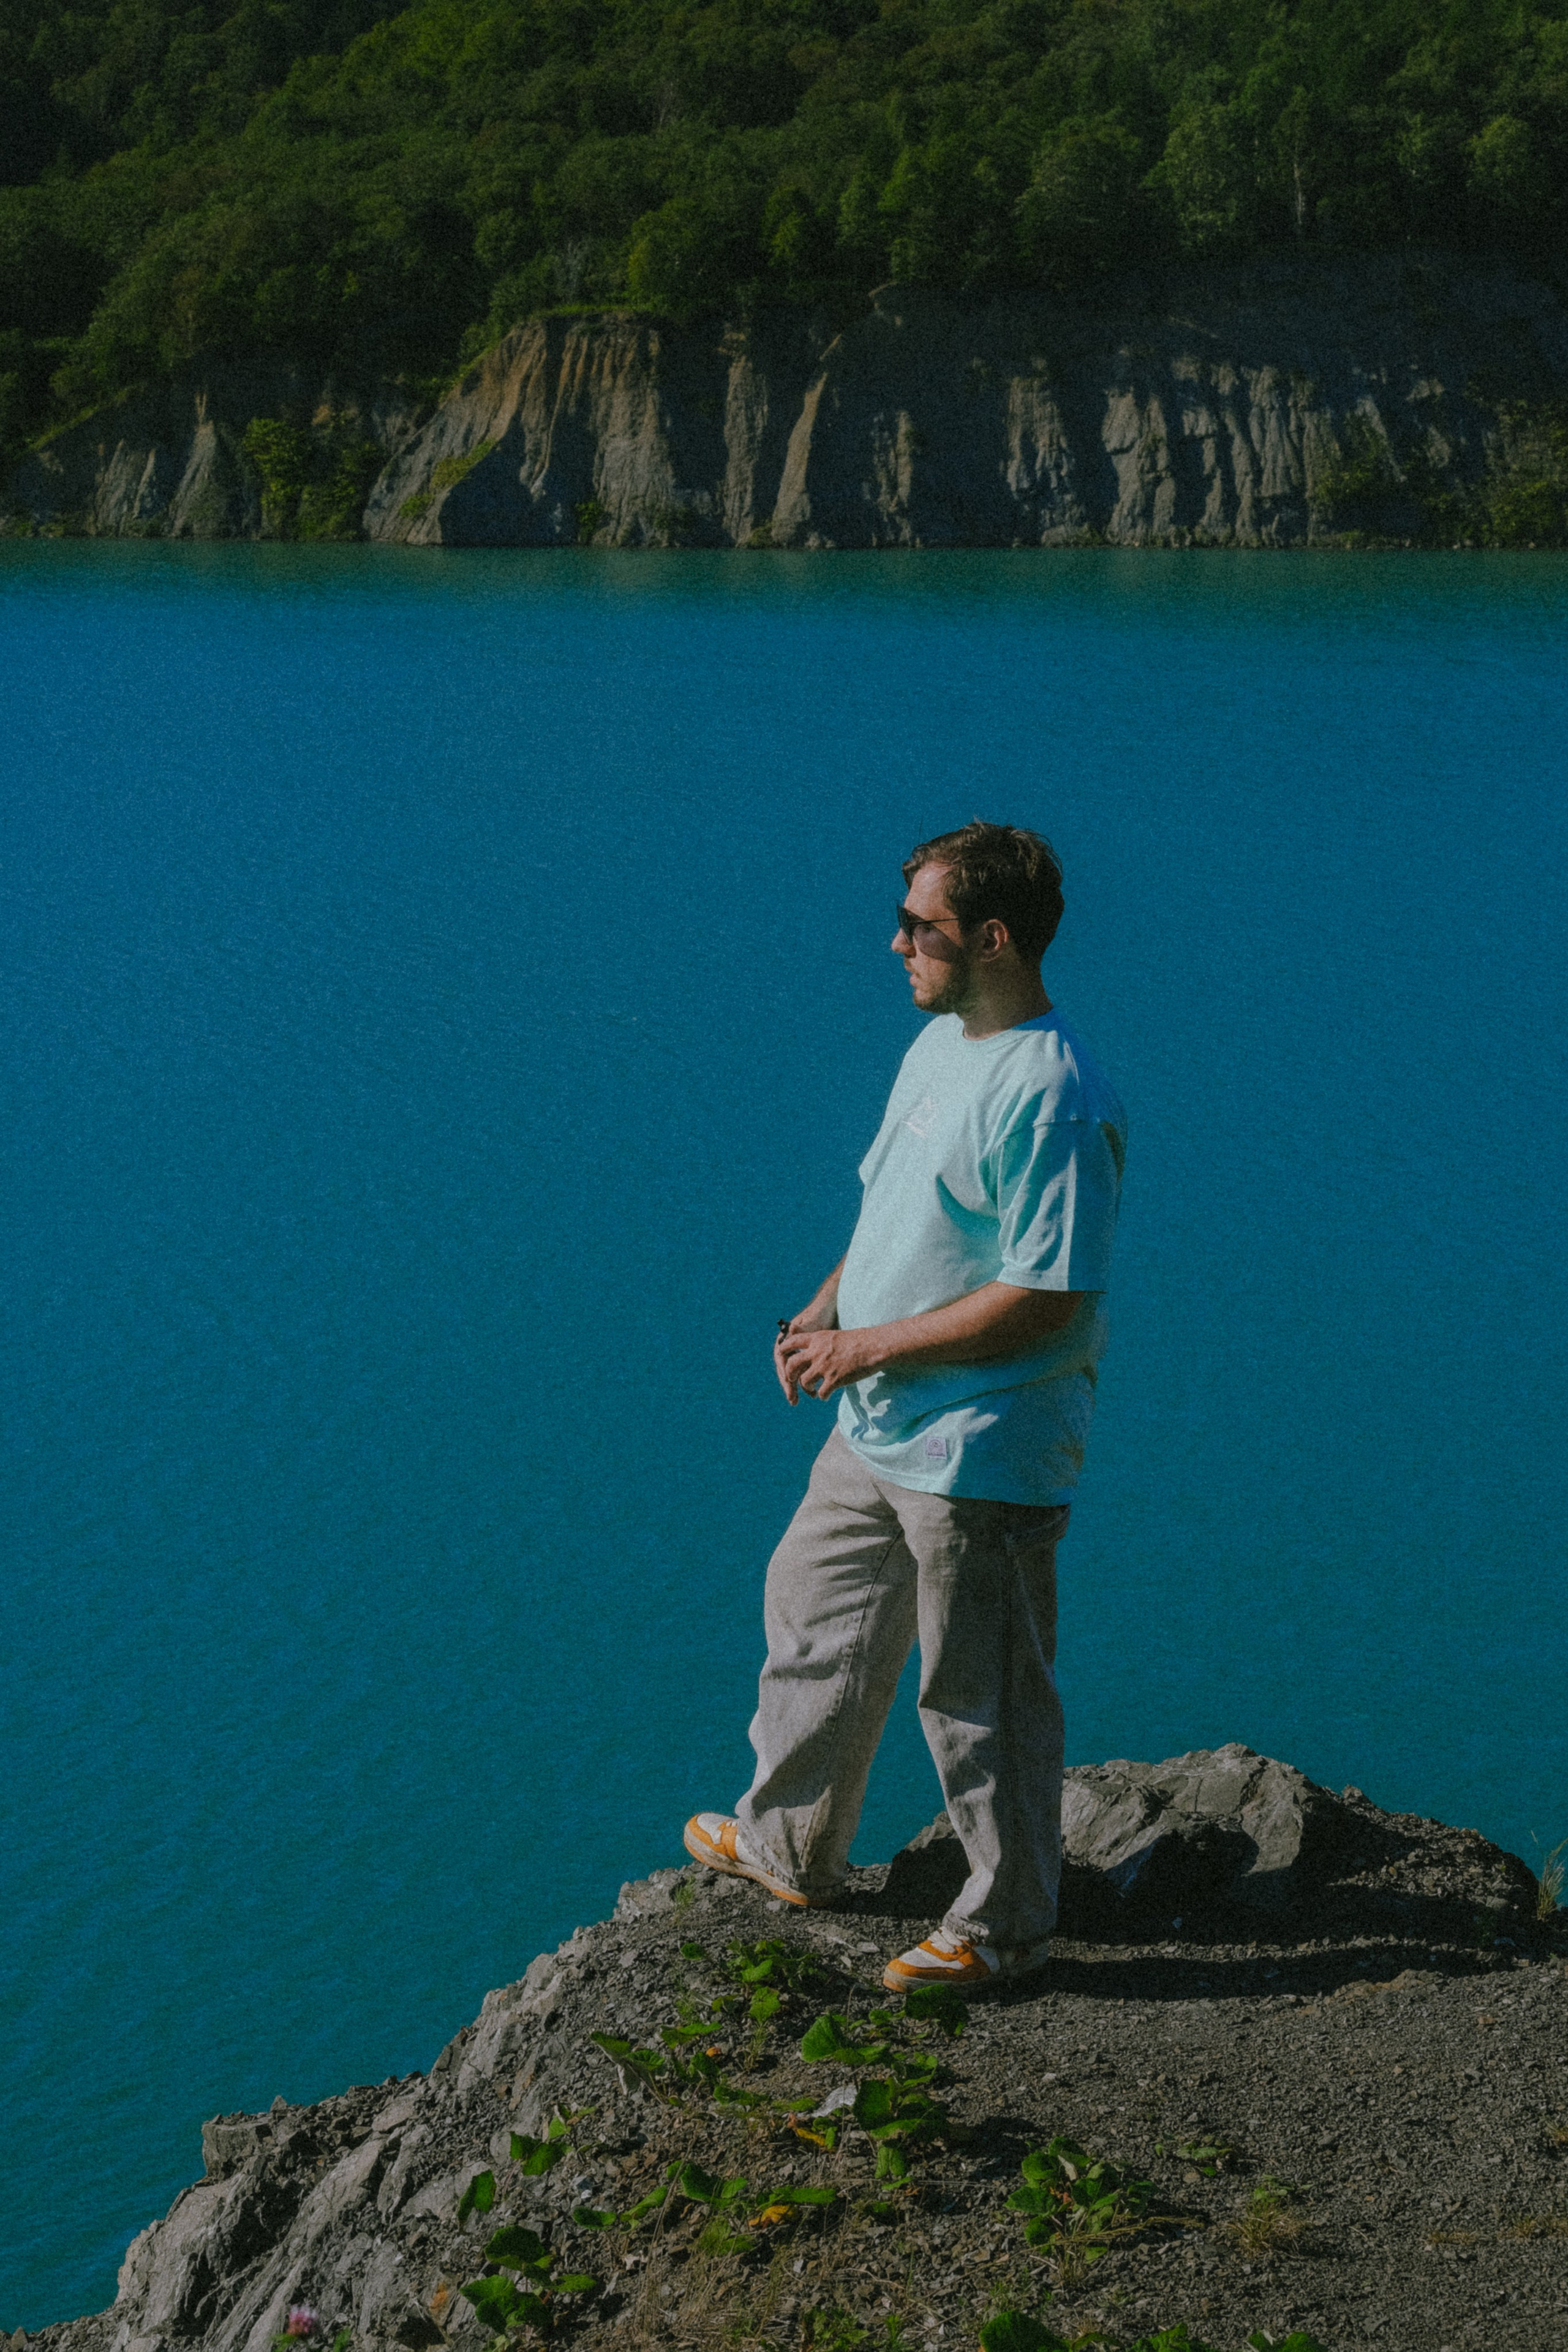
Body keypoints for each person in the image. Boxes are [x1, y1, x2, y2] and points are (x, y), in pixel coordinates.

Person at [685, 821, 1126, 1991]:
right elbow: (892, 1214)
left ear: (990, 938)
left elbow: (1047, 1297)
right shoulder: (940, 1047)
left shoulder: (1056, 1093)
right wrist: (823, 1311)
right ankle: (790, 1845)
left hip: (982, 1444)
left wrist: (869, 1344)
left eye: (918, 928)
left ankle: (1006, 1927)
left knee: (978, 1695)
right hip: (880, 1420)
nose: (895, 947)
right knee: (814, 1612)